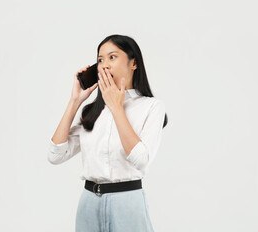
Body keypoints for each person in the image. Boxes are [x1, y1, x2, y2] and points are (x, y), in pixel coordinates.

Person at [48, 34, 168, 232]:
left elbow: (141, 159)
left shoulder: (151, 107)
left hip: (127, 202)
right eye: (100, 60)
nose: (104, 65)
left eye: (112, 57)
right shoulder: (92, 111)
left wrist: (117, 107)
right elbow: (55, 155)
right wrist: (75, 101)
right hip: (88, 204)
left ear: (134, 63)